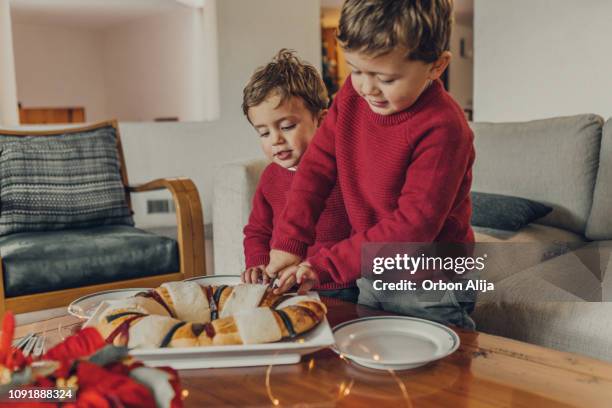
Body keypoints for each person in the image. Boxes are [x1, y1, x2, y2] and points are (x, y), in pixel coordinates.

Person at [265, 0, 476, 328]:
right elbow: (317, 167)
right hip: (371, 265)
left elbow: (412, 229)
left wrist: (324, 265)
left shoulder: (444, 127)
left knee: (437, 368)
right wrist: (289, 241)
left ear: (437, 66)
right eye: (357, 69)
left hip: (427, 278)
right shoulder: (352, 95)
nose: (366, 87)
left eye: (386, 79)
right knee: (369, 346)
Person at [240, 49, 358, 303]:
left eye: (287, 126)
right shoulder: (270, 177)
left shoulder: (345, 170)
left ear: (322, 121)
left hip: (341, 285)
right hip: (285, 286)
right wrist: (258, 264)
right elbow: (257, 231)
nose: (276, 140)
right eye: (264, 133)